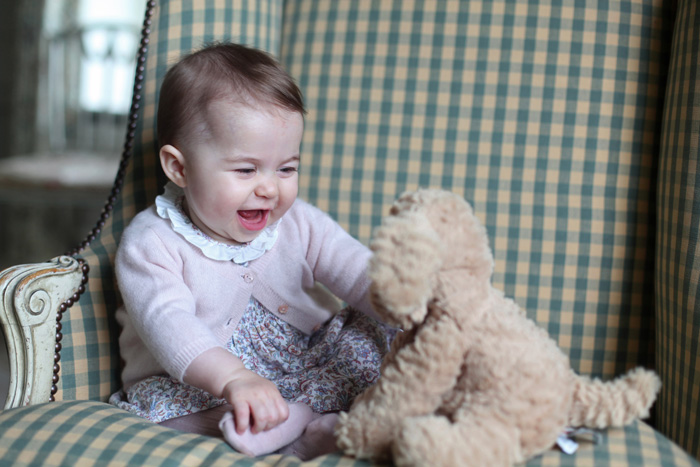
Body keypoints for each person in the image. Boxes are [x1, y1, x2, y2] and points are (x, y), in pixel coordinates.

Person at [109, 42, 393, 460]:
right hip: (204, 378)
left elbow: (355, 269)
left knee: (375, 338)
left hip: (307, 354)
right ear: (180, 168)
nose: (269, 187)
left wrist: (406, 304)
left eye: (287, 168)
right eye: (246, 169)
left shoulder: (299, 223)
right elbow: (169, 324)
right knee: (167, 413)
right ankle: (290, 429)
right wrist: (234, 379)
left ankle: (313, 418)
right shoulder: (150, 243)